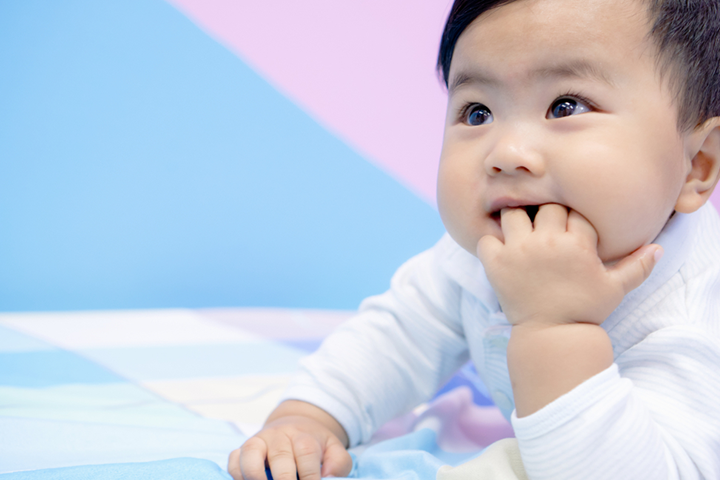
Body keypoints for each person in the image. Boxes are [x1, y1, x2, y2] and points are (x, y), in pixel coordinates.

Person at [229, 0, 720, 478]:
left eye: (565, 106)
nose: (507, 153)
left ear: (695, 165)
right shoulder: (486, 253)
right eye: (477, 112)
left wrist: (554, 328)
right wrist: (310, 417)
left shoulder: (689, 321)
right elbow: (399, 336)